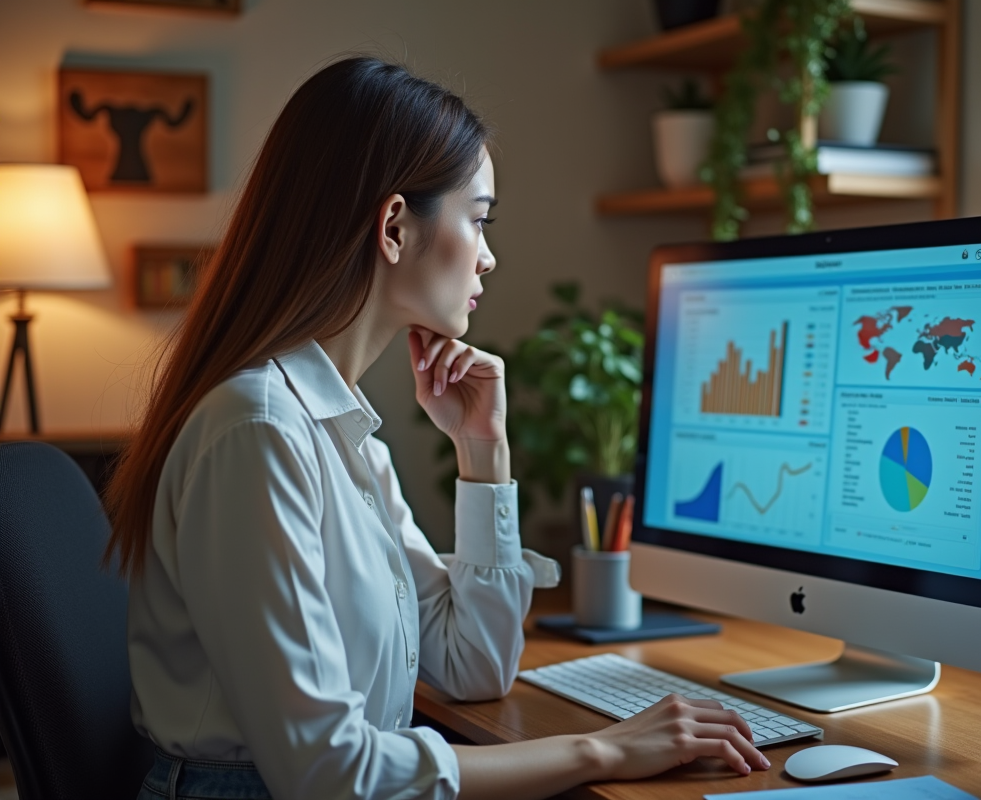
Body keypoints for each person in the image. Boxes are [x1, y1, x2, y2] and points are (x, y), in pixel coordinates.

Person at [102, 56, 768, 800]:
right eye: (478, 220)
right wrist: (599, 752)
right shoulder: (259, 431)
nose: (489, 256)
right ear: (393, 227)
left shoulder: (337, 428)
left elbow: (472, 665)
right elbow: (329, 774)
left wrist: (483, 452)